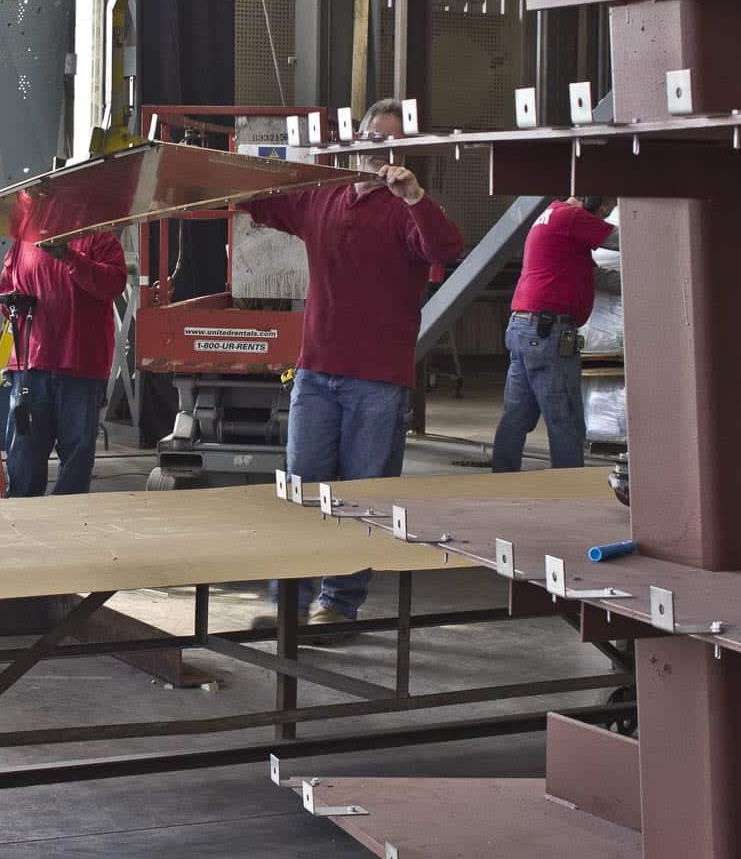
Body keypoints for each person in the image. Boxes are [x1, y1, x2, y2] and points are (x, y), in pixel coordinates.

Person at [244, 98, 466, 628]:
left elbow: (447, 247)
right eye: (372, 139)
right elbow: (256, 200)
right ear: (356, 141)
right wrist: (218, 174)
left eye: (391, 144)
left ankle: (339, 605)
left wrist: (414, 196)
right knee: (302, 489)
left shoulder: (406, 212)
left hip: (378, 382)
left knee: (362, 495)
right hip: (316, 373)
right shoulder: (323, 198)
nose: (378, 152)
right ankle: (289, 603)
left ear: (404, 151)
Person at [490, 196, 617, 473]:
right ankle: (570, 485)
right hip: (547, 333)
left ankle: (501, 478)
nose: (607, 215)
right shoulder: (571, 217)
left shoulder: (552, 215)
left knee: (517, 415)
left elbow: (595, 277)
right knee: (565, 417)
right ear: (598, 204)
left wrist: (647, 278)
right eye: (607, 208)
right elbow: (629, 239)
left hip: (524, 328)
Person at [0, 230, 126, 496]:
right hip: (33, 366)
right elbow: (5, 292)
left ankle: (69, 518)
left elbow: (113, 284)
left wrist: (69, 257)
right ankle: (23, 515)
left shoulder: (98, 238)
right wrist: (12, 304)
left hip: (81, 366)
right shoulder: (24, 242)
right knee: (25, 450)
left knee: (77, 453)